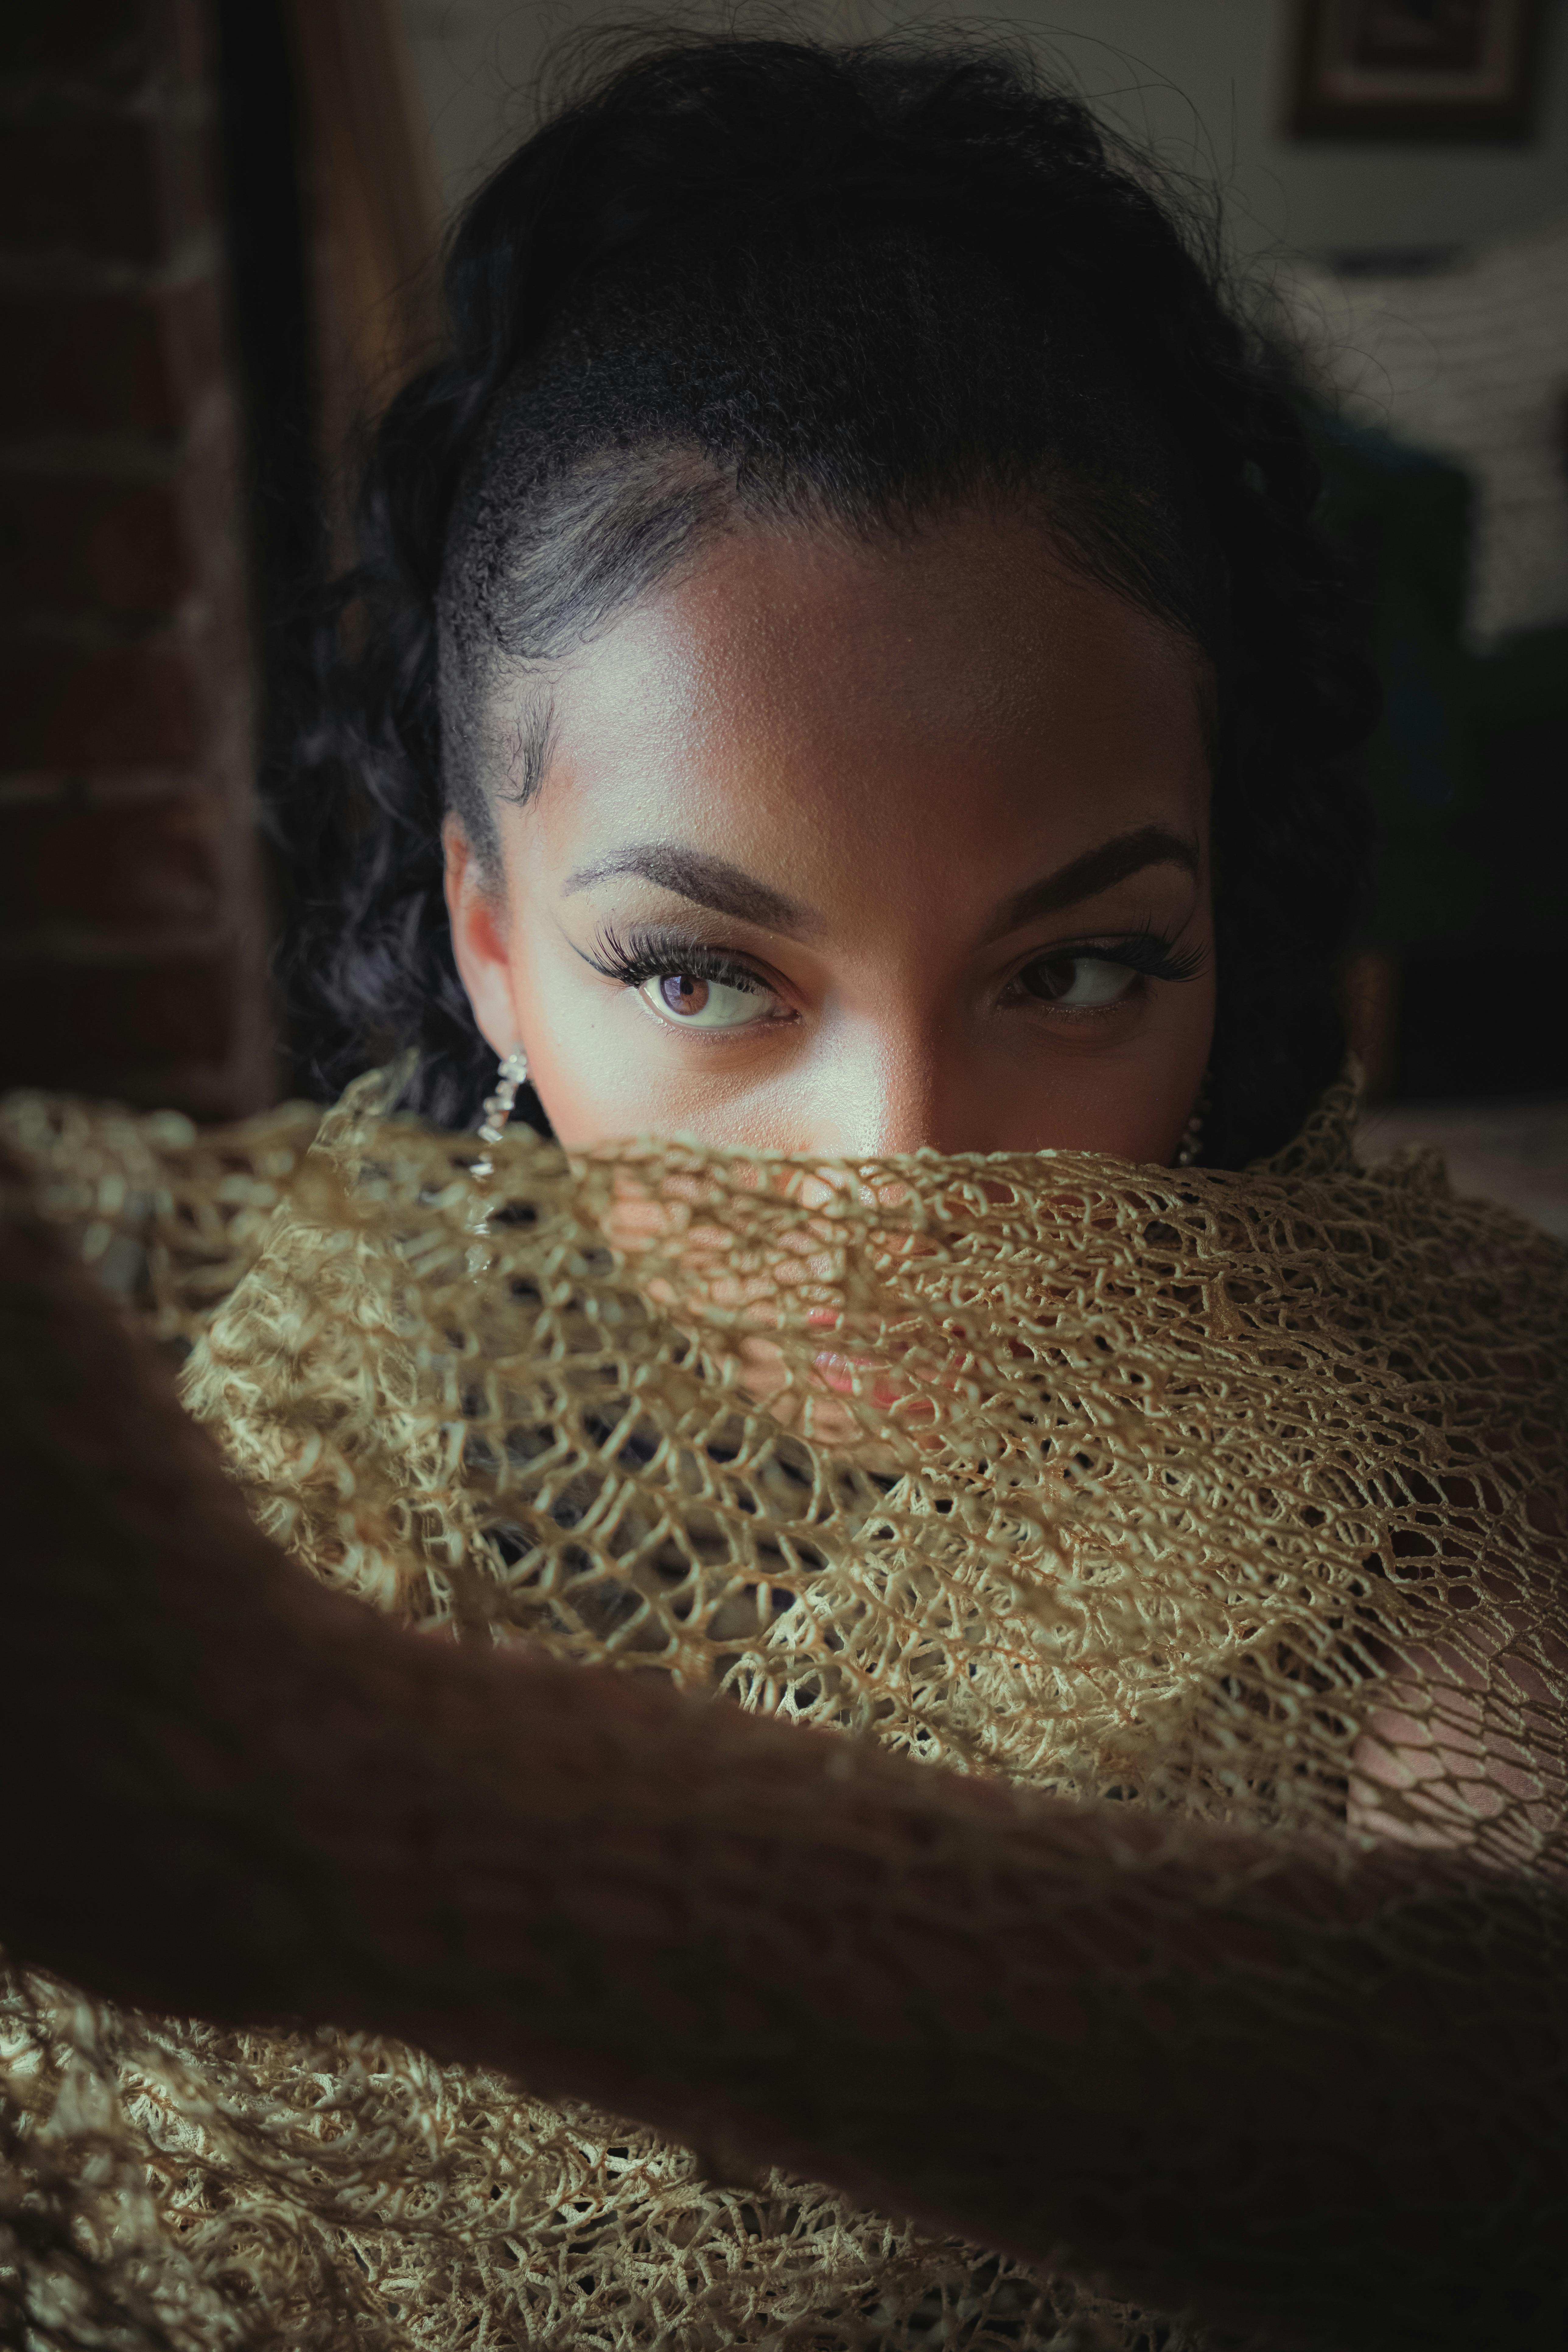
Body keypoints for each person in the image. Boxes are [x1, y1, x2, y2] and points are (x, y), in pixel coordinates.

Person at [1, 33, 1563, 2352]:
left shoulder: (1430, 1487)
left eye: (1084, 963)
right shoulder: (269, 1433)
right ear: (488, 943)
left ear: (1230, 919)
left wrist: (353, 1811)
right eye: (710, 974)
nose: (904, 1167)